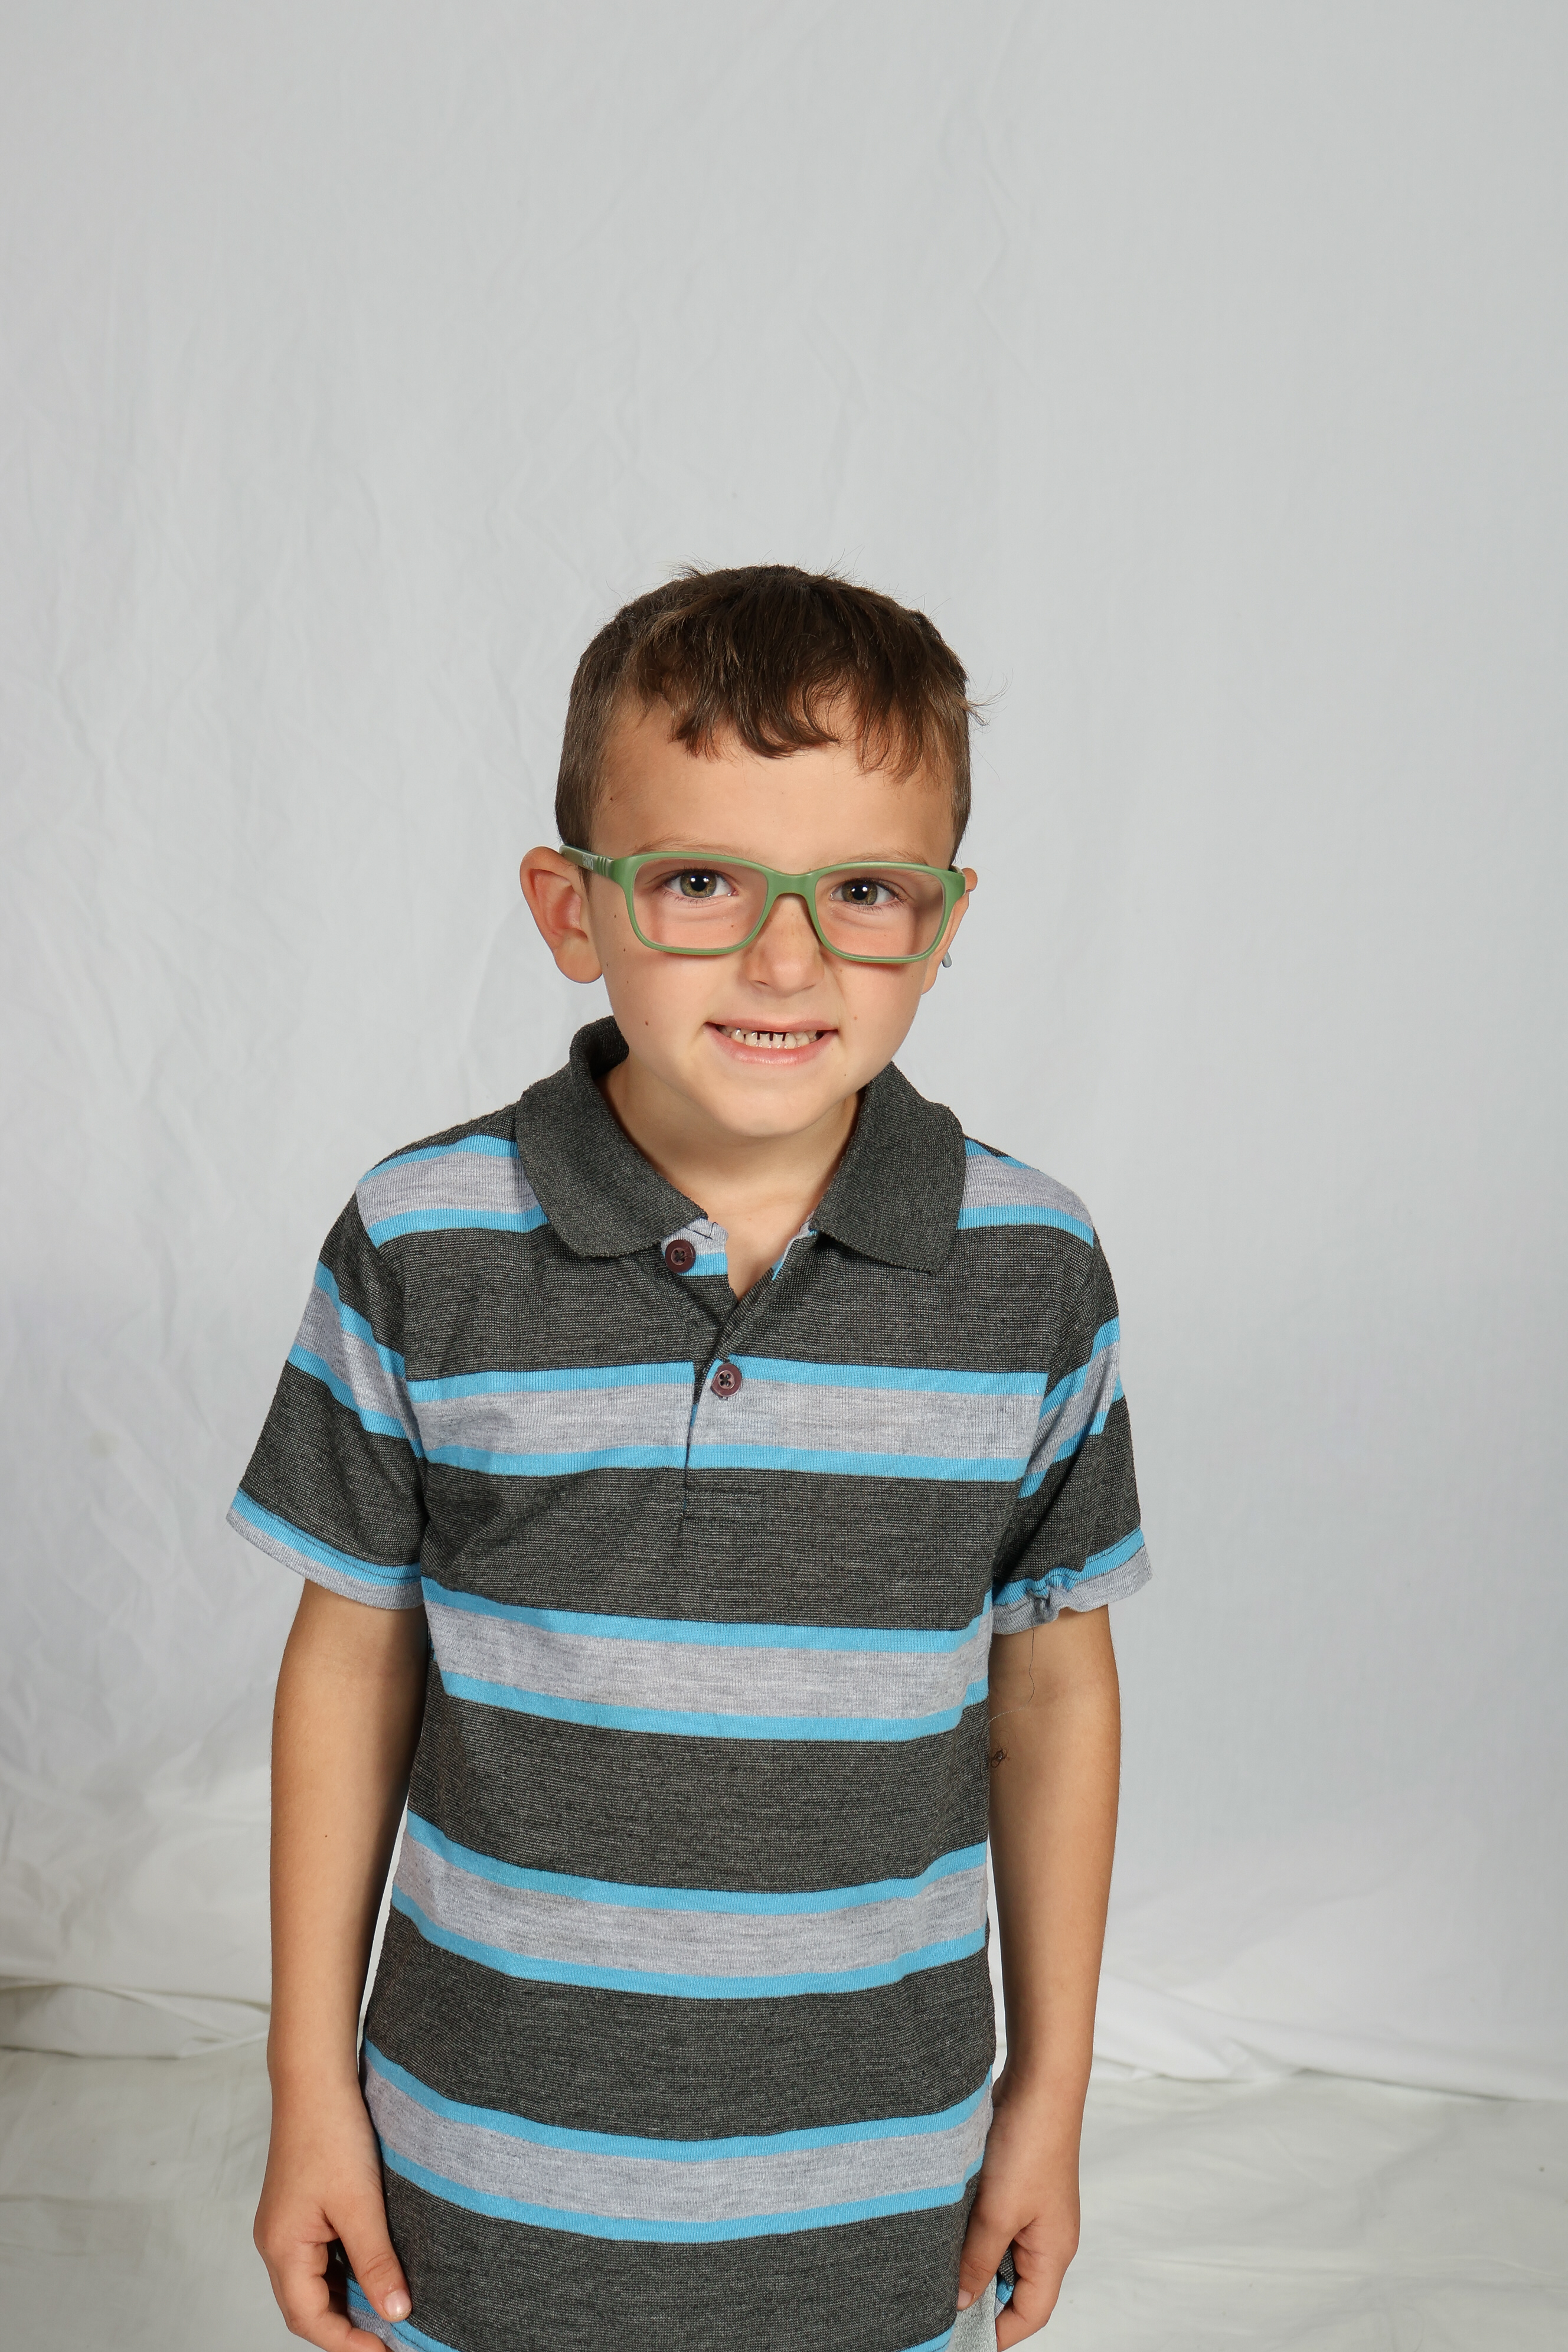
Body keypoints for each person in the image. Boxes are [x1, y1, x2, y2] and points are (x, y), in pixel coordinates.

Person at [238, 565, 1151, 2352]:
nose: (786, 960)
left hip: (877, 2212)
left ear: (944, 924)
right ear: (572, 908)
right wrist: (306, 2085)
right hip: (477, 2202)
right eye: (704, 881)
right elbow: (350, 1662)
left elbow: (1055, 1694)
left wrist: (1051, 2094)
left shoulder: (1032, 1267)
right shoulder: (424, 1241)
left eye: (865, 891)